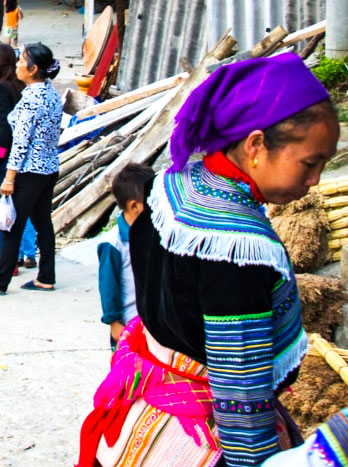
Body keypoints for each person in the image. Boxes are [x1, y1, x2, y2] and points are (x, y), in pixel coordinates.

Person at [77, 53, 340, 467]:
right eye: (310, 163)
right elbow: (240, 398)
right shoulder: (238, 249)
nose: (315, 181)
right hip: (198, 436)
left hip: (145, 406)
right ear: (255, 145)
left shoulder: (171, 188)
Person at [0, 43, 62, 296]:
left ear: (33, 69)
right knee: (43, 223)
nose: (18, 65)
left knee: (11, 226)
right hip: (49, 167)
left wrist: (9, 178)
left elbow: (20, 143)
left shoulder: (31, 99)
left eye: (22, 61)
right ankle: (46, 277)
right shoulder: (51, 93)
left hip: (29, 171)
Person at [0, 43, 36, 278]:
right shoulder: (19, 86)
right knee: (20, 208)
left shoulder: (0, 89)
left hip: (3, 159)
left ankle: (7, 260)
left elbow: (3, 126)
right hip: (20, 157)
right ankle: (24, 253)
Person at [96, 163, 153, 351]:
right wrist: (114, 323)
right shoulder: (113, 243)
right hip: (129, 326)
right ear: (135, 206)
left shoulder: (156, 234)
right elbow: (108, 287)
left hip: (155, 324)